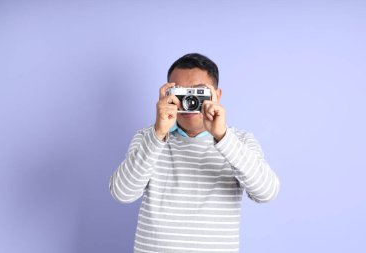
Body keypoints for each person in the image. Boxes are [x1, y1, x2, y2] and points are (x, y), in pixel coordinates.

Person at [109, 53, 280, 253]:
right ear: (167, 94)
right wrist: (158, 133)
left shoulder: (238, 142)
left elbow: (267, 192)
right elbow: (122, 194)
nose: (189, 100)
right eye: (180, 92)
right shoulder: (148, 138)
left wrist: (222, 136)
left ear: (217, 95)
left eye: (199, 92)